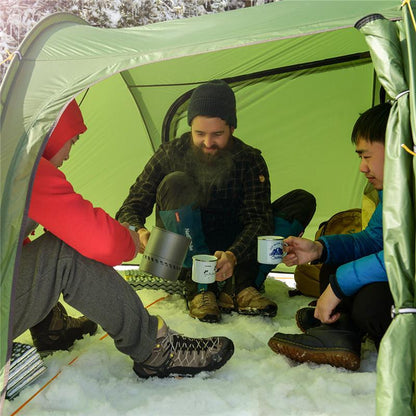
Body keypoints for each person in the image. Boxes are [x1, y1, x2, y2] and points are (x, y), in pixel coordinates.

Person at [12, 99, 234, 379]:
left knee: (40, 246)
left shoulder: (7, 157)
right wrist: (132, 237)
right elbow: (101, 241)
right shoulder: (25, 169)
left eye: (216, 134)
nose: (69, 153)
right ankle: (156, 349)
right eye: (73, 140)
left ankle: (51, 328)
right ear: (52, 132)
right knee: (65, 250)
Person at [116, 80, 316, 323]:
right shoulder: (170, 153)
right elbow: (131, 206)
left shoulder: (248, 159)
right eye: (199, 133)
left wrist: (232, 254)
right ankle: (200, 288)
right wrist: (139, 231)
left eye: (217, 134)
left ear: (232, 128)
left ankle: (240, 287)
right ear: (190, 126)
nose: (208, 143)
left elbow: (258, 221)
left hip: (230, 252)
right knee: (176, 182)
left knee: (301, 201)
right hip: (180, 255)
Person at [268, 102, 393, 371]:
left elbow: (405, 257)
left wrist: (339, 286)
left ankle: (342, 324)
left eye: (366, 156)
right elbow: (373, 241)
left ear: (397, 147)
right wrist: (318, 249)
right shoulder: (393, 191)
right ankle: (339, 333)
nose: (362, 167)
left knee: (369, 305)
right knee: (335, 262)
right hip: (397, 275)